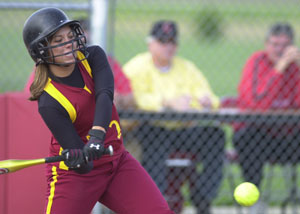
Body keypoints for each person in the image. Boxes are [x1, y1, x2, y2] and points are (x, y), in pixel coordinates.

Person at [22, 7, 174, 214]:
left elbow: (104, 95)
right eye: (58, 41)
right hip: (75, 177)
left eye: (69, 37)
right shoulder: (49, 100)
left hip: (117, 162)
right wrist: (77, 158)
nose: (68, 44)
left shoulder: (92, 57)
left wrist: (96, 137)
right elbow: (84, 167)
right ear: (41, 50)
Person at [123, 20, 225, 214]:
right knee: (153, 140)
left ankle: (203, 195)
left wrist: (203, 102)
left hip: (184, 128)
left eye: (172, 42)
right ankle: (156, 204)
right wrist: (166, 102)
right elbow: (134, 98)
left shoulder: (186, 68)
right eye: (162, 41)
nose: (168, 47)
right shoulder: (137, 66)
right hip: (153, 128)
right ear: (150, 43)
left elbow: (211, 98)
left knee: (216, 135)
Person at [233, 22, 300, 213]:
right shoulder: (256, 62)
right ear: (266, 44)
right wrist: (279, 69)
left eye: (285, 46)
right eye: (275, 44)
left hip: (289, 136)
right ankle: (255, 201)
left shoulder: (296, 67)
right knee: (246, 136)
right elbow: (257, 104)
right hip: (260, 136)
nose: (279, 50)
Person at [24, 17, 136, 110]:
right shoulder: (48, 65)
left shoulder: (105, 61)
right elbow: (30, 99)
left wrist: (118, 99)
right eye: (60, 40)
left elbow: (132, 98)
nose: (71, 46)